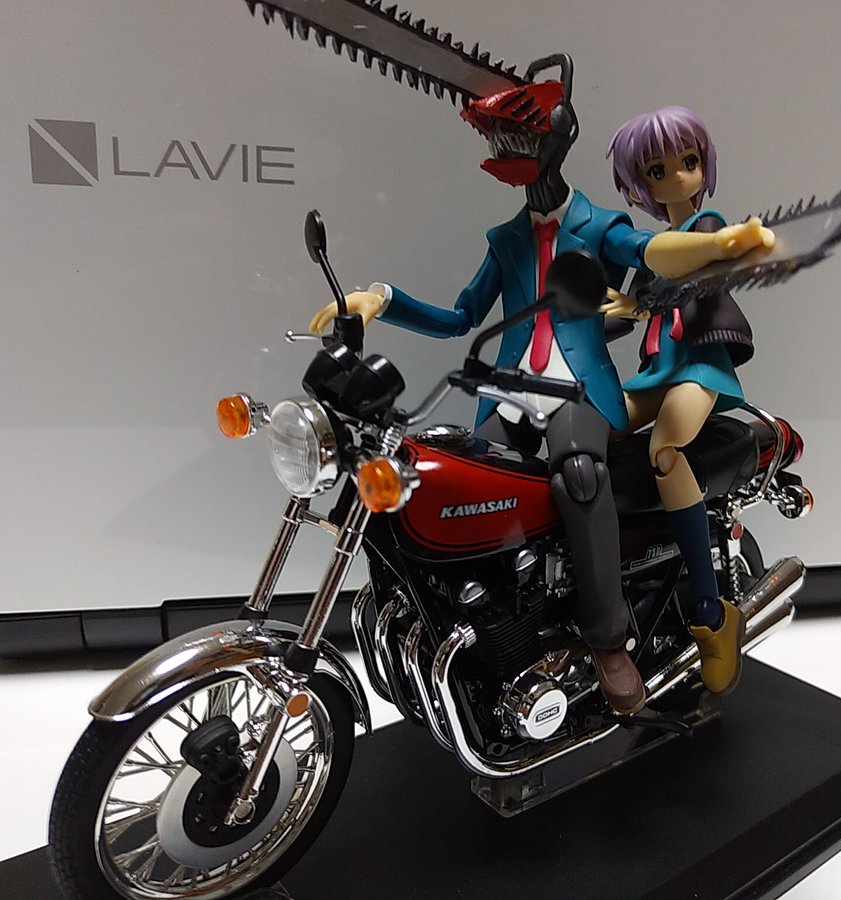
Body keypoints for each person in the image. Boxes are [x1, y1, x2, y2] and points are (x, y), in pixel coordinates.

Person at [312, 69, 772, 714]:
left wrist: (712, 244)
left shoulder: (599, 225)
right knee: (455, 481)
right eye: (500, 141)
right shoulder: (505, 241)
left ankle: (608, 641)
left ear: (555, 140)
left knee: (580, 476)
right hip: (508, 391)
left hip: (577, 393)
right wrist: (382, 300)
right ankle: (473, 622)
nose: (508, 152)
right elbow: (460, 317)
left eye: (519, 139)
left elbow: (649, 250)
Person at [604, 105, 762, 694]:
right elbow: (623, 309)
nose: (676, 176)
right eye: (657, 170)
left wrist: (734, 243)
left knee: (665, 448)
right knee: (600, 421)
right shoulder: (650, 247)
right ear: (639, 183)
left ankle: (711, 612)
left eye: (688, 161)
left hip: (699, 366)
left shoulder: (705, 224)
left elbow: (710, 254)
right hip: (657, 370)